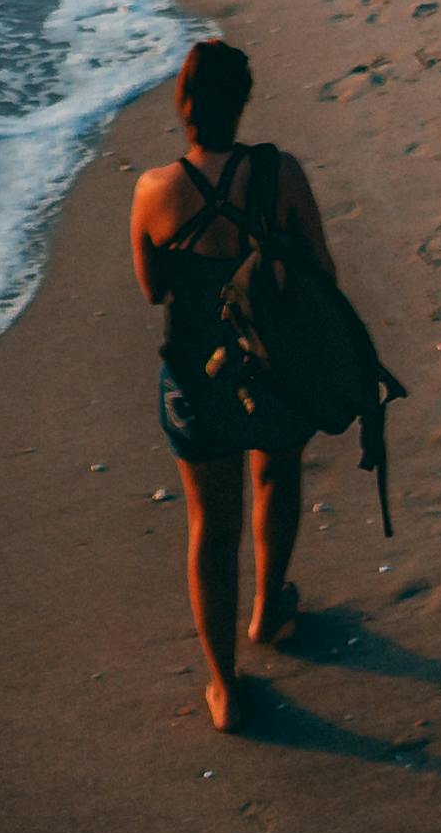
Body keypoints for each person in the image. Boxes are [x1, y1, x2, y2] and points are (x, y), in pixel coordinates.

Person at [133, 38, 340, 729]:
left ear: (182, 104)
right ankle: (268, 608)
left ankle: (223, 688)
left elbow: (151, 286)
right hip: (275, 368)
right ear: (242, 101)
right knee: (277, 476)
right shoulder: (277, 174)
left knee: (209, 530)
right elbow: (322, 274)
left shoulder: (154, 190)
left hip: (195, 377)